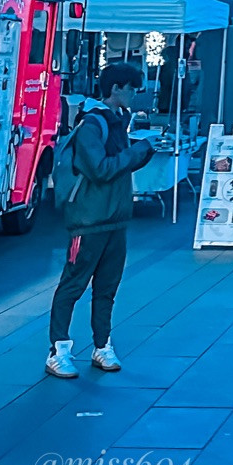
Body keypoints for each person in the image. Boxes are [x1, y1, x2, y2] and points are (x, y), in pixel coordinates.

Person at [47, 62, 155, 379]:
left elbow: (114, 167)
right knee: (73, 285)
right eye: (132, 89)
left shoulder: (116, 120)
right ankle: (58, 350)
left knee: (106, 288)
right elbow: (101, 169)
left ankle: (102, 345)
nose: (136, 95)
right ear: (116, 88)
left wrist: (139, 151)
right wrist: (140, 151)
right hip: (90, 220)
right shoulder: (93, 124)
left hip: (113, 220)